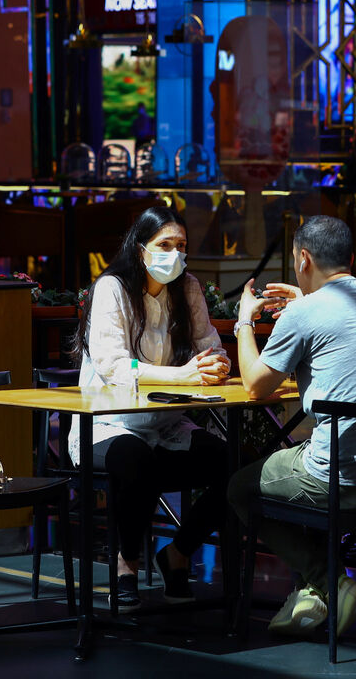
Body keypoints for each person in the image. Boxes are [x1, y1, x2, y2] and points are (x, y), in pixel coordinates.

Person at [226, 215, 356, 638]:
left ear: (303, 258)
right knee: (298, 471)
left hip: (346, 482)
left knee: (241, 488)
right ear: (351, 259)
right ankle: (315, 594)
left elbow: (254, 386)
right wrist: (303, 302)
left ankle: (330, 580)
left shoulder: (304, 312)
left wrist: (244, 320)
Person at [68, 205, 233, 610]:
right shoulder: (112, 288)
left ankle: (178, 552)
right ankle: (127, 564)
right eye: (164, 245)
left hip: (164, 424)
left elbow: (209, 344)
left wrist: (218, 362)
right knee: (135, 459)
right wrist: (185, 375)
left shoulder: (188, 287)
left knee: (233, 464)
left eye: (181, 246)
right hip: (106, 424)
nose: (174, 254)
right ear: (141, 249)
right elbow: (113, 366)